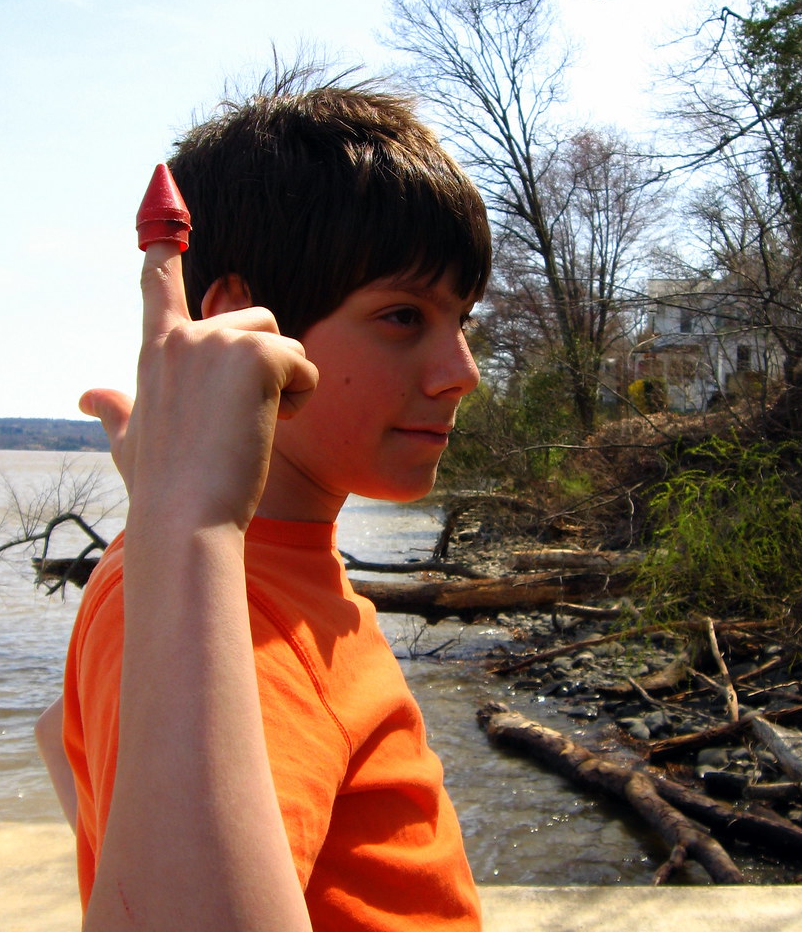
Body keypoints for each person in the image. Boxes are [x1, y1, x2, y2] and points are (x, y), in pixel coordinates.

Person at [42, 69, 491, 931]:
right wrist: (190, 523)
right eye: (403, 316)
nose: (460, 374)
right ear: (240, 324)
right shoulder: (223, 606)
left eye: (461, 318)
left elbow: (63, 738)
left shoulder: (202, 586)